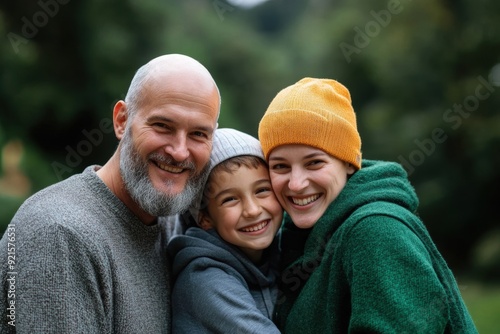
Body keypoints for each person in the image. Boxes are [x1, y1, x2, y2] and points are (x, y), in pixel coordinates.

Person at [0, 54, 221, 333]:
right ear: (121, 120)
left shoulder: (171, 226)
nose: (179, 151)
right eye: (163, 126)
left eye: (199, 134)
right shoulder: (59, 233)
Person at [258, 77, 478, 333]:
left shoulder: (375, 230)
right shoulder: (297, 239)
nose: (295, 184)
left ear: (350, 163)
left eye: (314, 163)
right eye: (280, 166)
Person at [168, 128, 283, 333]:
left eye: (262, 190)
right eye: (230, 199)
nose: (252, 210)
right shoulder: (205, 280)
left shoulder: (282, 254)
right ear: (205, 218)